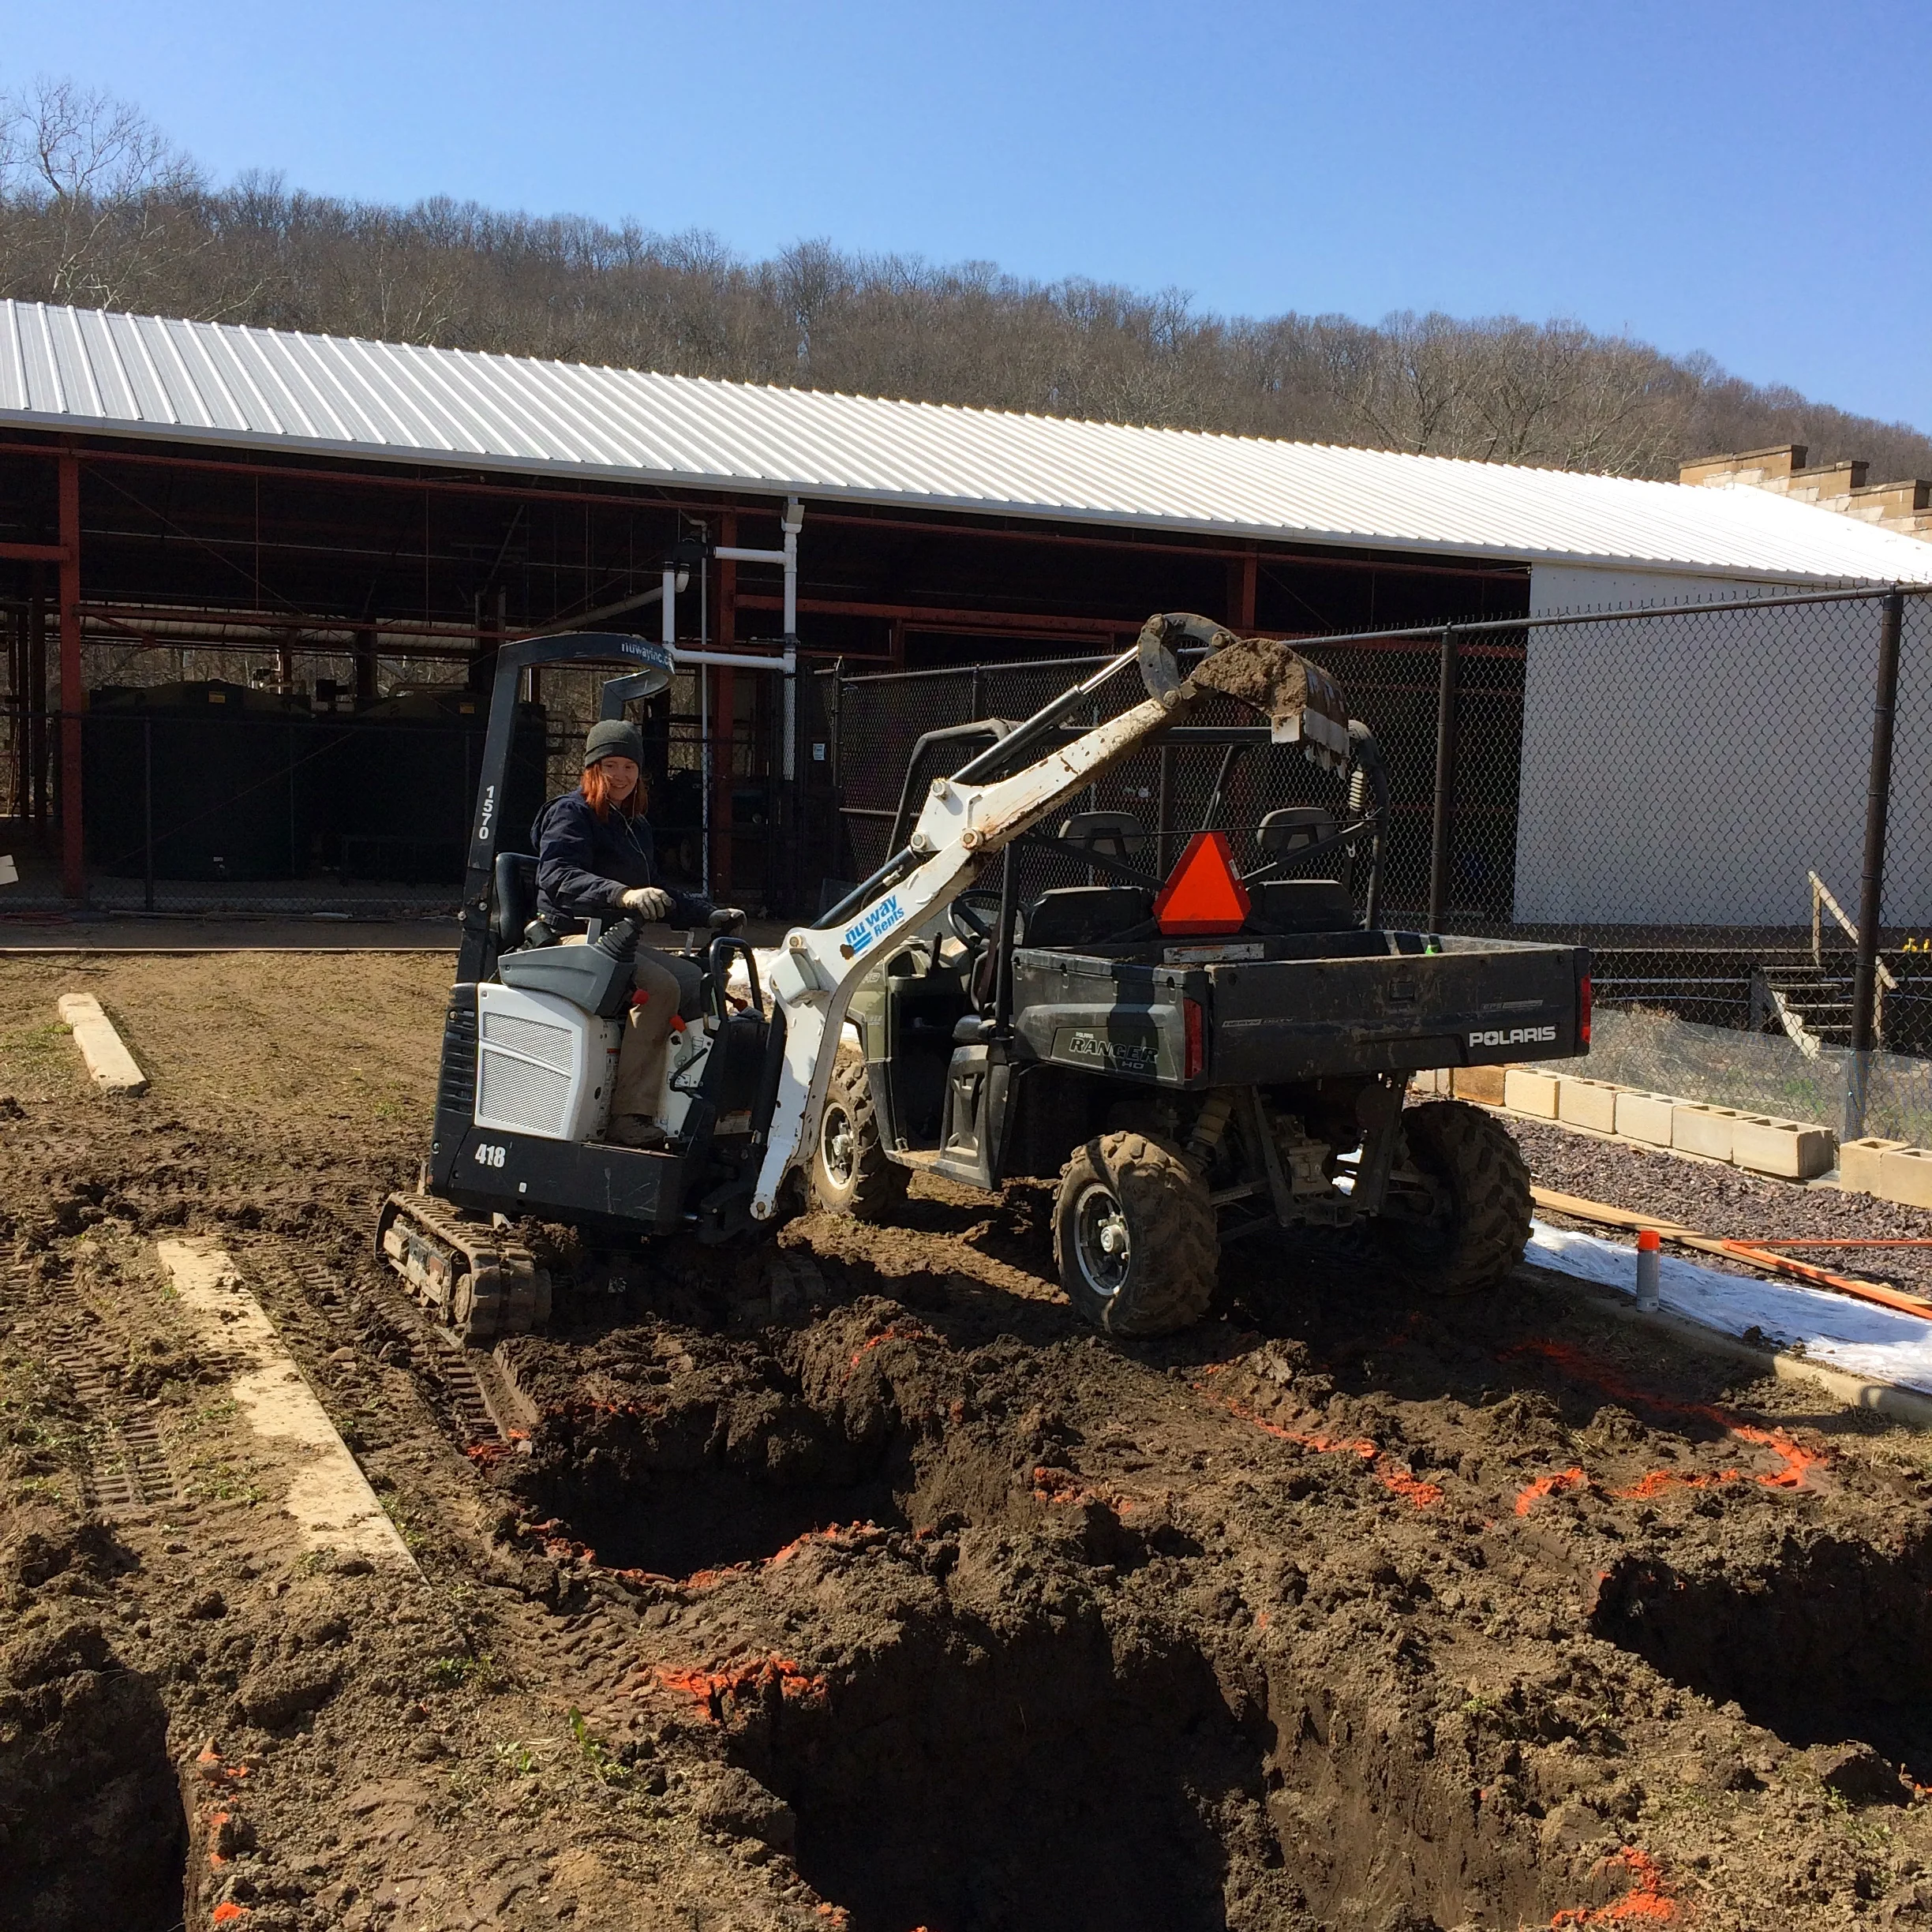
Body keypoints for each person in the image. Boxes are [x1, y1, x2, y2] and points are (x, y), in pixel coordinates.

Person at [531, 720, 742, 1146]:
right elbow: (557, 874)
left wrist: (707, 914)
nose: (622, 776)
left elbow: (656, 888)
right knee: (662, 986)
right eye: (611, 765)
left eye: (630, 767)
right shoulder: (570, 813)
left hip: (619, 939)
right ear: (592, 768)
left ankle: (681, 1106)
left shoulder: (635, 826)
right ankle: (629, 1116)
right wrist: (621, 895)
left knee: (698, 982)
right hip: (572, 936)